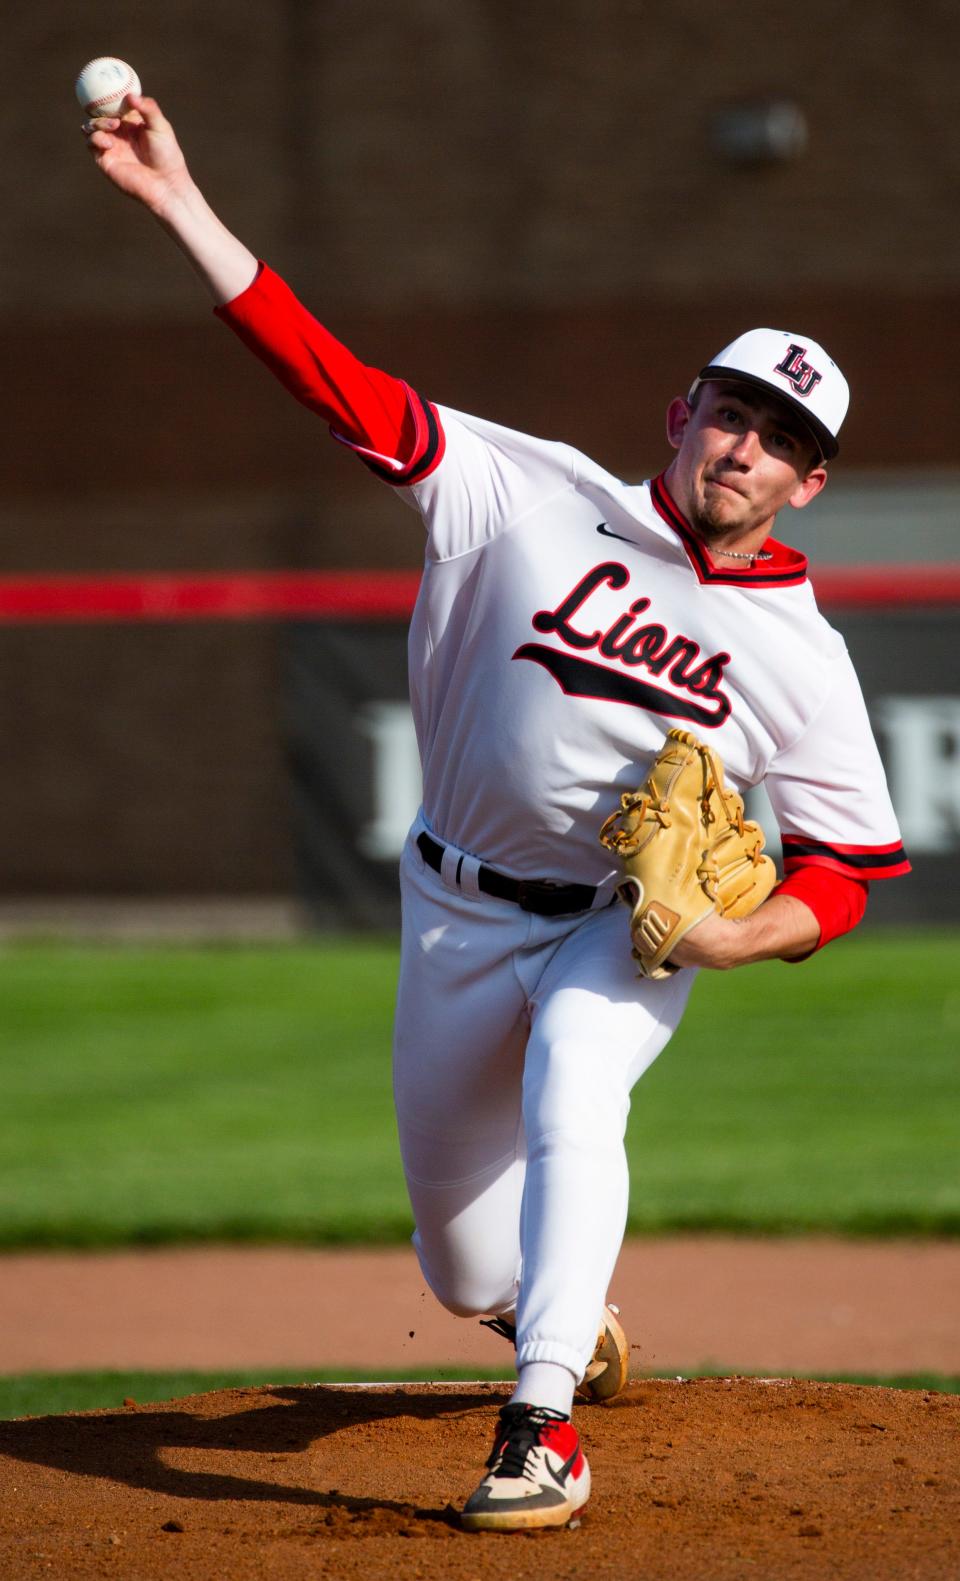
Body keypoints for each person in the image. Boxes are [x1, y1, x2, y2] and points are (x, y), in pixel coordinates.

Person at [84, 96, 909, 1532]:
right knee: (464, 1265)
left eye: (779, 439)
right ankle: (553, 1315)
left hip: (616, 928)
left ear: (809, 480)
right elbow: (331, 378)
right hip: (452, 910)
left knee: (579, 1079)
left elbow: (847, 864)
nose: (743, 448)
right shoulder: (517, 494)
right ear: (683, 412)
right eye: (731, 411)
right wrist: (180, 209)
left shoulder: (804, 657)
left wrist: (739, 936)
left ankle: (543, 1427)